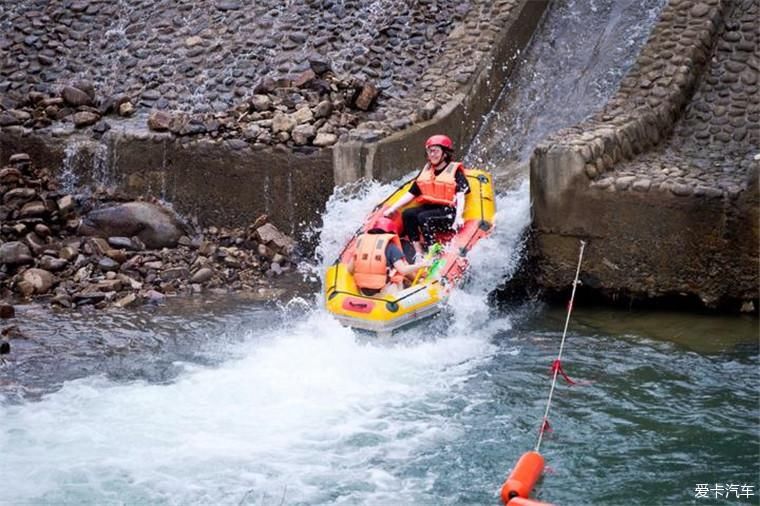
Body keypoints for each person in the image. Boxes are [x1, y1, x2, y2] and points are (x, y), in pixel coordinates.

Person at [382, 134, 470, 258]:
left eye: (435, 151)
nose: (432, 155)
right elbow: (411, 193)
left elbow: (461, 196)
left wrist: (458, 218)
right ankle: (418, 251)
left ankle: (434, 251)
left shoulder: (455, 172)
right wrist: (392, 208)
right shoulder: (427, 171)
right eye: (429, 151)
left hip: (448, 213)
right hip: (431, 208)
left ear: (445, 153)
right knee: (408, 213)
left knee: (424, 217)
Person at [347, 216, 429, 295]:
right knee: (398, 277)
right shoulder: (391, 247)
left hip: (362, 291)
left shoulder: (361, 245)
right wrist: (422, 264)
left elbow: (350, 270)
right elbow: (403, 270)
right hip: (384, 293)